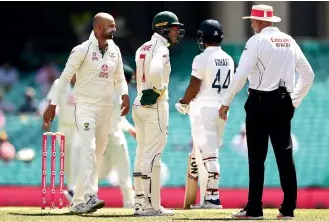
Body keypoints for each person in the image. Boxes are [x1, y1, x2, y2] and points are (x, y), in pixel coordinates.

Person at [218, 5, 315, 220]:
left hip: (260, 102)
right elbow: (308, 75)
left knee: (256, 158)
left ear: (259, 22)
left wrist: (226, 102)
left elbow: (241, 74)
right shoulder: (289, 40)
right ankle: (288, 209)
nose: (251, 24)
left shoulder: (257, 41)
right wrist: (293, 101)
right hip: (283, 102)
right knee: (285, 156)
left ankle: (254, 209)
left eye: (253, 20)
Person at [43, 12, 130, 214]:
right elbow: (64, 78)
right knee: (89, 149)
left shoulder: (115, 50)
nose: (115, 29)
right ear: (98, 27)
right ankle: (91, 196)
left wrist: (124, 95)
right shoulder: (81, 50)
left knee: (97, 156)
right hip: (86, 108)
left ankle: (76, 200)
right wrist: (53, 105)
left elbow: (120, 77)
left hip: (106, 109)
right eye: (111, 26)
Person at [176, 19, 234, 209]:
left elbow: (194, 86)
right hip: (222, 108)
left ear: (203, 37)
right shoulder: (229, 58)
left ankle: (212, 198)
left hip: (204, 108)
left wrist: (184, 102)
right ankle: (208, 196)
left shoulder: (201, 58)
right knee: (210, 152)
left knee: (209, 155)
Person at [132, 11, 185, 216]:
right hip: (154, 104)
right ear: (162, 28)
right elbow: (154, 72)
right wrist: (158, 90)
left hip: (139, 102)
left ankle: (139, 201)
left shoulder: (142, 47)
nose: (177, 31)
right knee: (154, 154)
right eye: (173, 28)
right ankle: (151, 205)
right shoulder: (162, 48)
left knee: (141, 152)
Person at [98, 65, 136, 208]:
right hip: (114, 136)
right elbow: (115, 119)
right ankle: (130, 203)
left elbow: (117, 118)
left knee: (104, 170)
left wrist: (131, 130)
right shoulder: (115, 94)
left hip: (104, 137)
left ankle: (77, 192)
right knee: (124, 170)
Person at [42, 74, 80, 201]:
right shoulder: (59, 83)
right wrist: (47, 120)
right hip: (63, 127)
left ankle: (76, 189)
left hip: (79, 127)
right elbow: (52, 102)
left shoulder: (85, 82)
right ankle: (71, 190)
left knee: (77, 156)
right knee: (68, 159)